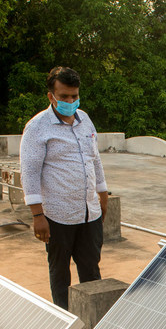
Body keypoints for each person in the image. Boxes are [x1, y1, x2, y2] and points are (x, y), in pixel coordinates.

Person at [20, 66, 109, 309]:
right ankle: (66, 319)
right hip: (58, 216)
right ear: (51, 96)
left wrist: (102, 193)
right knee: (60, 272)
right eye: (64, 97)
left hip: (89, 212)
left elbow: (95, 159)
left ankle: (92, 319)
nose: (70, 101)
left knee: (91, 267)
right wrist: (38, 216)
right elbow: (29, 172)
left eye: (74, 96)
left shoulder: (85, 119)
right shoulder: (37, 127)